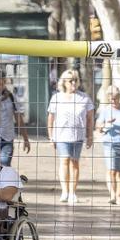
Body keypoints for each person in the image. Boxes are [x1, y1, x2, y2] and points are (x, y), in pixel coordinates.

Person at [47, 69, 94, 205]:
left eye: (75, 80)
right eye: (70, 80)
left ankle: (73, 192)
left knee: (74, 163)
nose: (73, 83)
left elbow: (90, 118)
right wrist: (51, 136)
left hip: (78, 136)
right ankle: (65, 191)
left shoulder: (84, 97)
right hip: (61, 135)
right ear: (64, 82)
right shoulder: (56, 97)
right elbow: (50, 117)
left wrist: (90, 136)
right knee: (64, 161)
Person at [96, 85, 120, 205]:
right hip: (110, 143)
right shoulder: (105, 110)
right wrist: (105, 125)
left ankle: (119, 195)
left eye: (115, 98)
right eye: (111, 99)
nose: (113, 101)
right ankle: (112, 194)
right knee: (111, 170)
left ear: (119, 97)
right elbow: (98, 127)